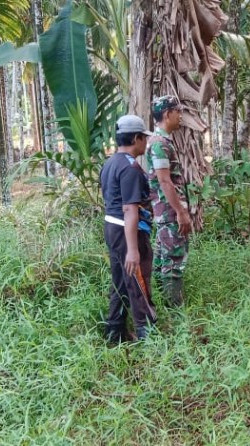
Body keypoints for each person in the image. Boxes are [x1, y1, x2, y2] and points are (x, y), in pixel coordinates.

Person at [100, 114, 157, 343]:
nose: (145, 142)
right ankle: (148, 334)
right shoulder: (130, 168)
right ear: (136, 138)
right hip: (127, 230)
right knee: (138, 280)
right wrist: (133, 249)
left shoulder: (111, 163)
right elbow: (129, 209)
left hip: (112, 228)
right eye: (144, 138)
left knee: (120, 281)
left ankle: (115, 332)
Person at [147, 95, 193, 307]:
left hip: (166, 212)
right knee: (173, 260)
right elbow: (165, 181)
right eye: (177, 111)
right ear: (167, 115)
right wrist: (180, 212)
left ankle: (157, 303)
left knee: (162, 259)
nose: (180, 115)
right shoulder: (159, 145)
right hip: (169, 213)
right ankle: (174, 308)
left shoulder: (162, 142)